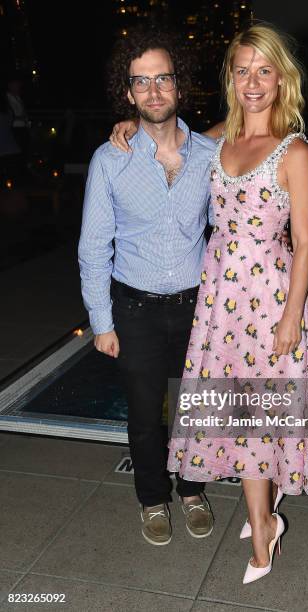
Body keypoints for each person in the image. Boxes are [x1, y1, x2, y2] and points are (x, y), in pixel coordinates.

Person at [110, 22, 308, 584]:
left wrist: (289, 320)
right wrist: (132, 125)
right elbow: (165, 141)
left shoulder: (294, 151)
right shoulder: (215, 141)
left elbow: (305, 244)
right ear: (230, 76)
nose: (253, 81)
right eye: (242, 68)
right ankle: (264, 516)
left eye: (264, 70)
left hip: (271, 304)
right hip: (219, 306)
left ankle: (262, 532)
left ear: (282, 79)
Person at [78, 27, 218, 546]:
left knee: (196, 409)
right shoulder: (109, 159)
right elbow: (93, 248)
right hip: (133, 308)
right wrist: (101, 323)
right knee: (143, 415)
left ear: (179, 85)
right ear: (128, 92)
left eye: (163, 79)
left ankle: (193, 489)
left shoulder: (210, 155)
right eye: (142, 82)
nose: (153, 91)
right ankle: (153, 499)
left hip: (196, 309)